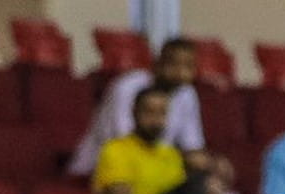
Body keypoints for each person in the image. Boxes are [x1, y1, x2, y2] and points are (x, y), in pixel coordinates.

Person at [92, 86, 226, 194]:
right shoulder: (115, 150)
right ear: (134, 113)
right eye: (149, 112)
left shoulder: (171, 155)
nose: (156, 120)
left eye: (162, 113)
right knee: (195, 184)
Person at [69, 37, 207, 177]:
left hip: (153, 169)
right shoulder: (127, 87)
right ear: (157, 64)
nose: (180, 73)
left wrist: (201, 161)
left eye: (188, 66)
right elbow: (125, 142)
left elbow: (192, 144)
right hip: (102, 169)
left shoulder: (186, 93)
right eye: (173, 64)